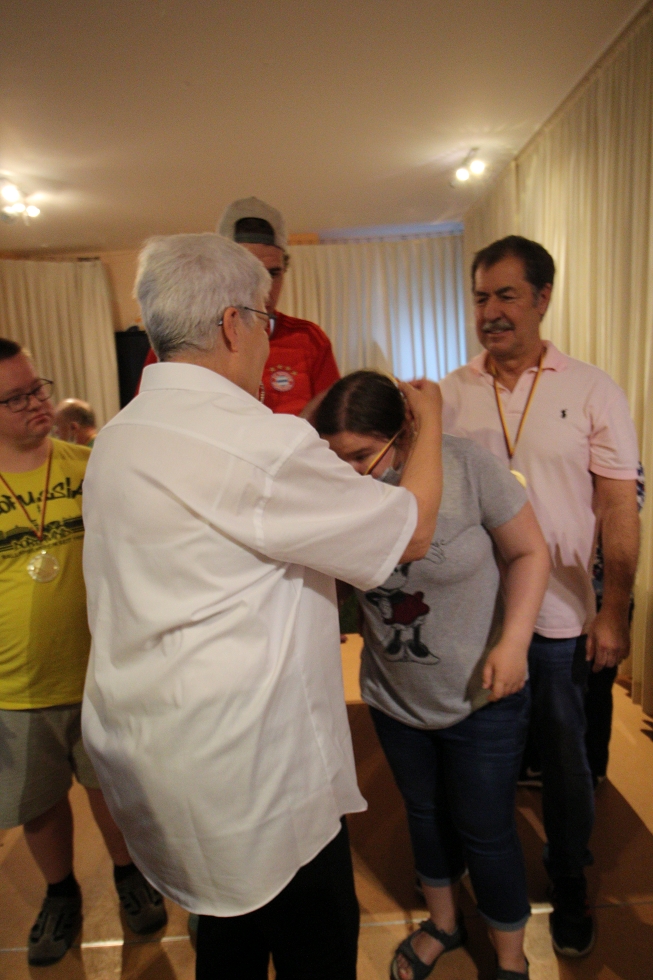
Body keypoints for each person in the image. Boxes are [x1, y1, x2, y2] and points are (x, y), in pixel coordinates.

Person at [80, 232, 444, 980]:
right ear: (231, 324)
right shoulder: (260, 443)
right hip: (254, 769)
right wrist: (430, 421)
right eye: (265, 321)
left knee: (226, 940)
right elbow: (409, 532)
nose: (269, 341)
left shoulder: (117, 438)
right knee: (313, 942)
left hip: (155, 746)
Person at [439, 236, 640, 958]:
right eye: (480, 297)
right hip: (477, 620)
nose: (490, 312)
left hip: (560, 618)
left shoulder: (591, 389)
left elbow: (618, 506)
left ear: (542, 298)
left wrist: (612, 609)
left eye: (506, 295)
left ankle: (570, 876)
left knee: (565, 762)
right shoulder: (451, 393)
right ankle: (490, 883)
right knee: (480, 762)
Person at [314, 371, 549, 980]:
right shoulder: (340, 491)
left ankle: (510, 955)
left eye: (362, 455)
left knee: (488, 829)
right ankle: (444, 922)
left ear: (401, 434)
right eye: (337, 458)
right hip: (396, 697)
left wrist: (515, 641)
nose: (351, 472)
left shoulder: (466, 466)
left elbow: (529, 551)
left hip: (482, 695)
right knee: (423, 812)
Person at [0, 339, 166, 967]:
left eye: (36, 388)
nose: (35, 404)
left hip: (102, 675)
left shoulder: (90, 465)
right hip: (15, 687)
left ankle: (128, 875)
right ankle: (60, 892)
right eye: (15, 399)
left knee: (112, 790)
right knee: (38, 802)